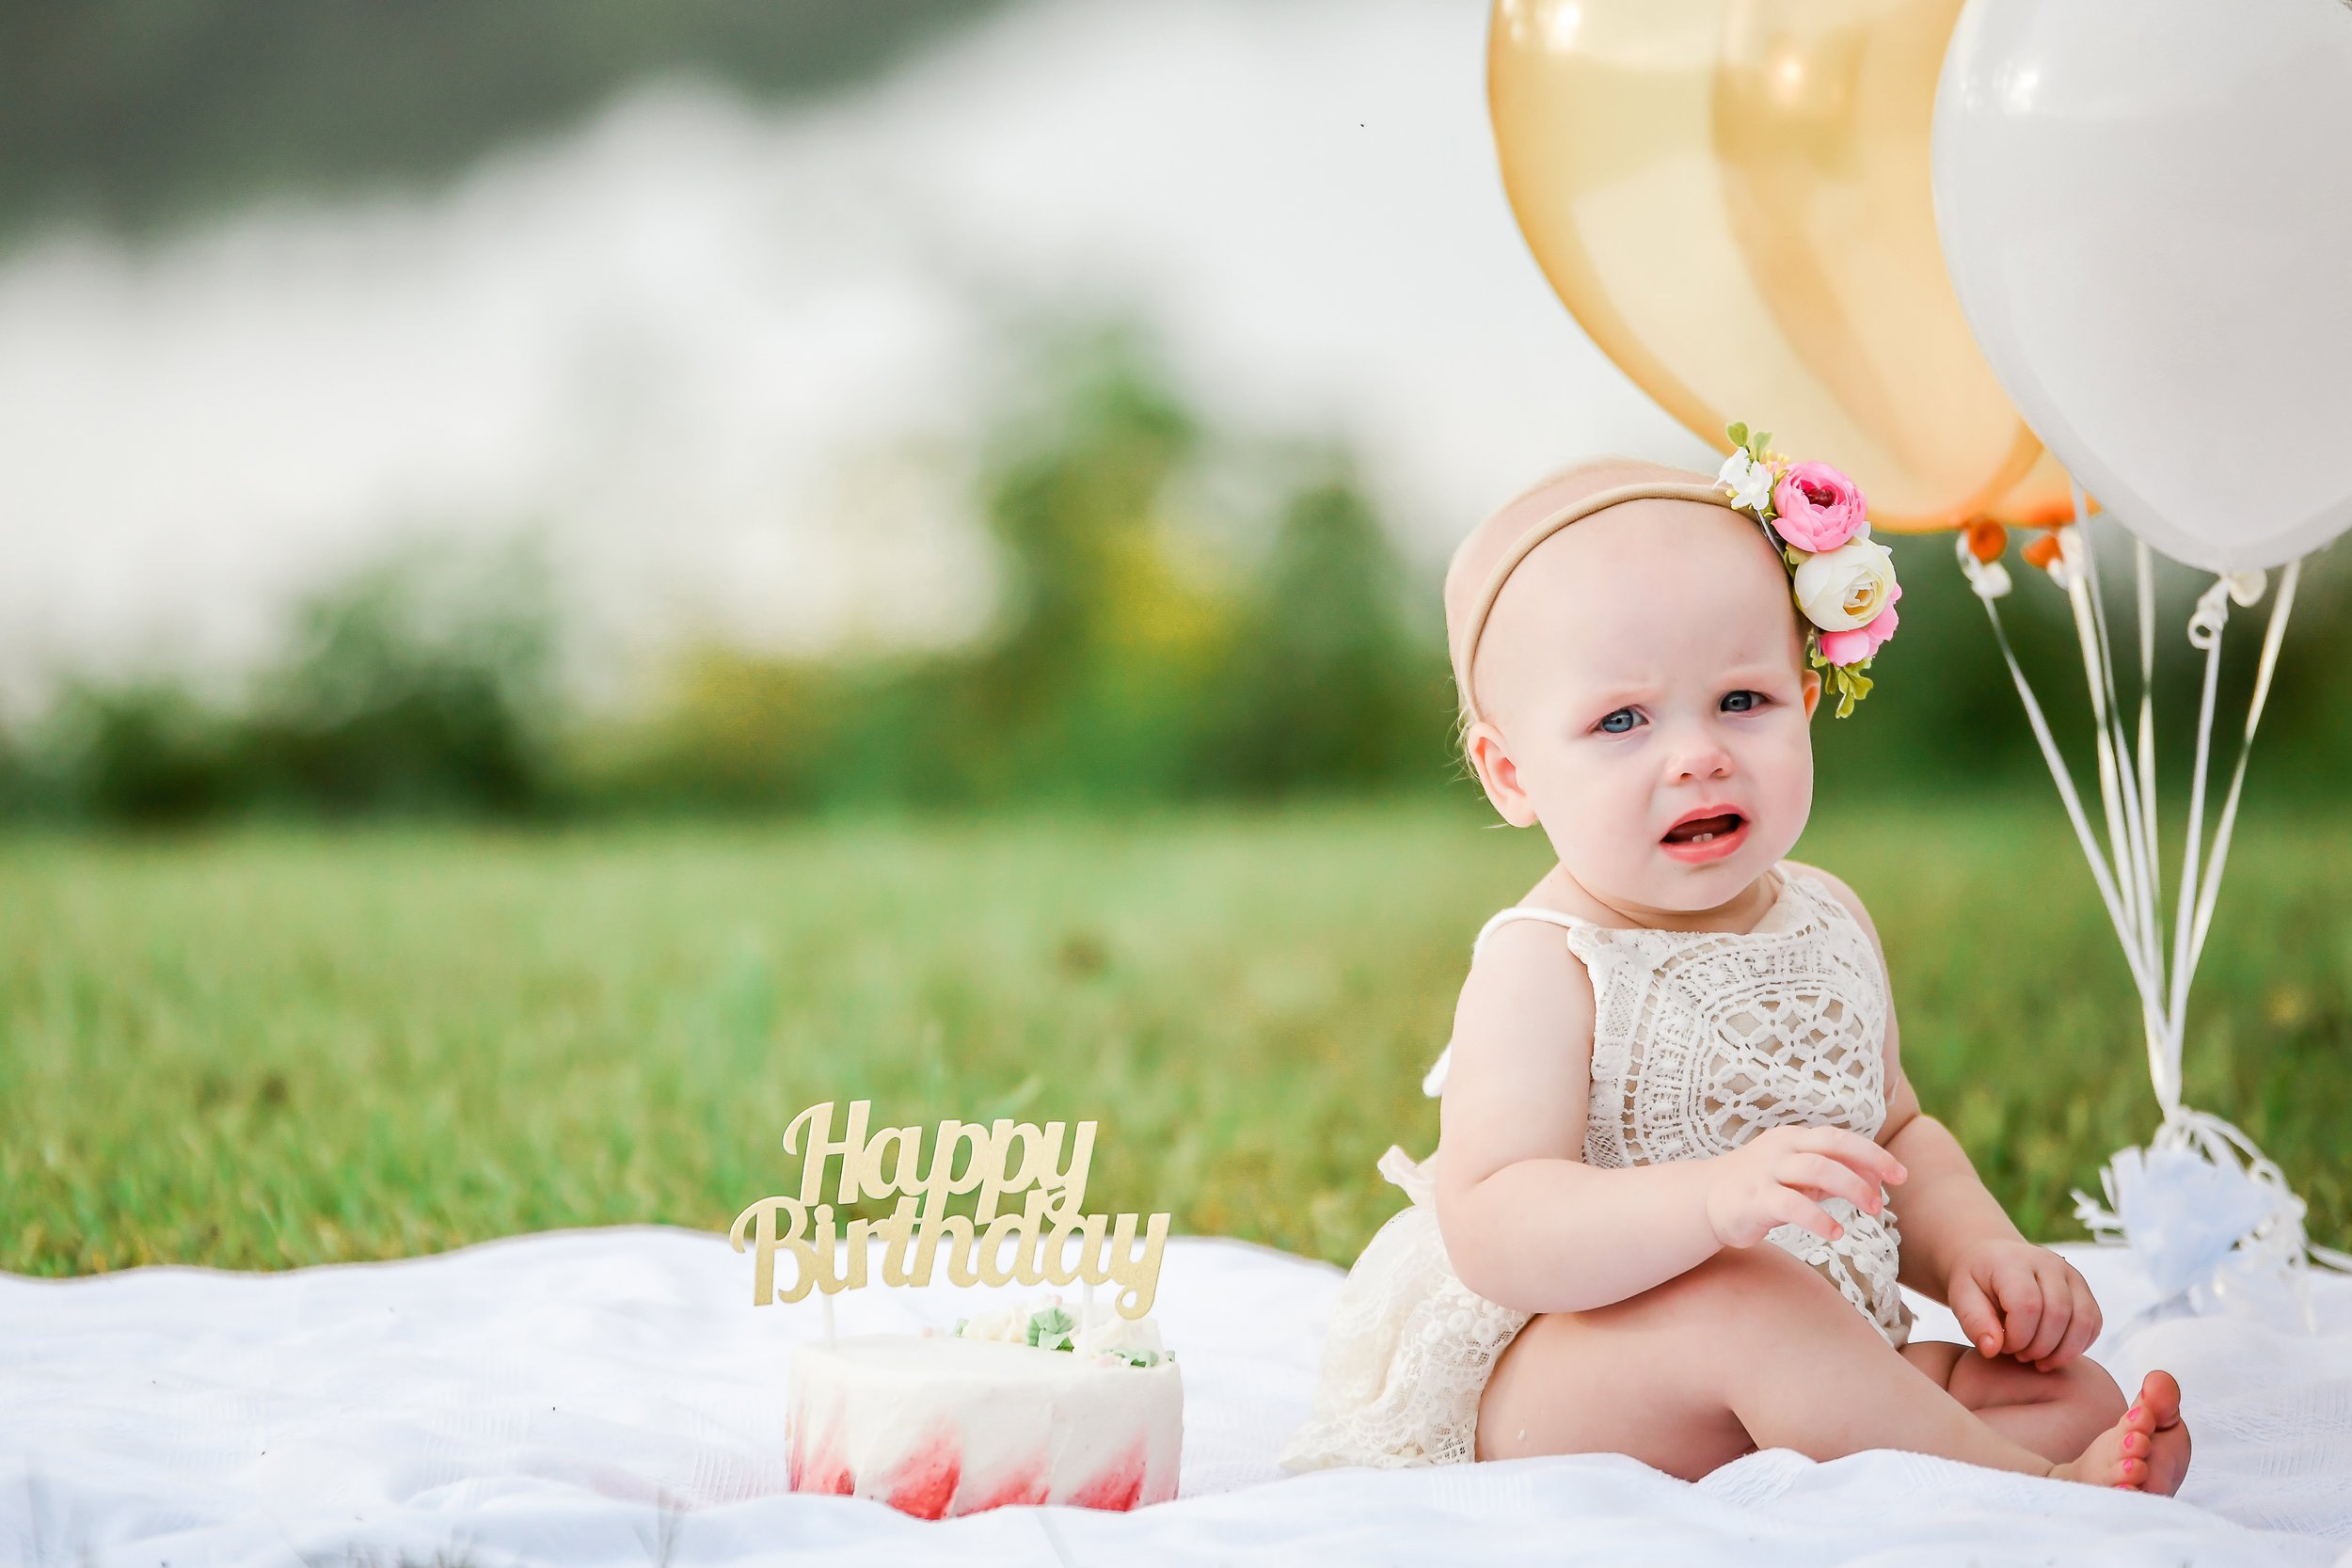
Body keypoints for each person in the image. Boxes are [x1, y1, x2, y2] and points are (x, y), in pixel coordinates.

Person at [1278, 450, 2190, 1493]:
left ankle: (1970, 1443)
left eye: (1742, 699)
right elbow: (1494, 1220)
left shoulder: (1828, 915)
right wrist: (1708, 1201)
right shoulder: (1547, 961)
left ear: (1807, 695)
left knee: (2066, 1388)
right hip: (1575, 1366)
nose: (1698, 754)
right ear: (1513, 772)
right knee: (1746, 1299)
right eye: (1623, 720)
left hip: (1815, 1339)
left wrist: (1977, 1249)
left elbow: (1892, 1135)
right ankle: (2039, 1496)